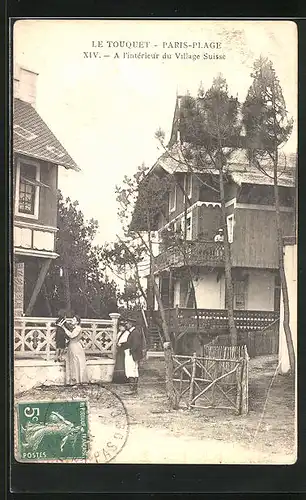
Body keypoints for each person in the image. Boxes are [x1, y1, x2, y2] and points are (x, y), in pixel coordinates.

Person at [58, 315, 88, 385]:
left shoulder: (78, 328)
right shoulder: (74, 328)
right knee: (72, 363)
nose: (72, 320)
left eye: (74, 320)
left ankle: (78, 381)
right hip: (72, 346)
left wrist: (63, 328)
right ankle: (73, 381)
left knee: (76, 363)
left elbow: (71, 335)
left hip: (76, 347)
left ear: (77, 322)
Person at [119, 317, 144, 395]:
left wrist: (131, 351)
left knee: (130, 370)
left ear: (131, 324)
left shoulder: (135, 332)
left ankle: (132, 389)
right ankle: (134, 389)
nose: (126, 325)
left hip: (132, 354)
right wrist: (123, 344)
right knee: (134, 370)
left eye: (127, 324)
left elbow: (136, 344)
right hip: (134, 354)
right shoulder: (134, 332)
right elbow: (130, 342)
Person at [113, 319, 128, 384]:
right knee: (118, 363)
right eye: (119, 326)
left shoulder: (127, 333)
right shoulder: (119, 333)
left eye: (122, 326)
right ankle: (117, 379)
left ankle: (123, 379)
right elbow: (116, 340)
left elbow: (126, 341)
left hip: (123, 349)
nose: (120, 327)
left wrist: (121, 344)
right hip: (119, 349)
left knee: (122, 363)